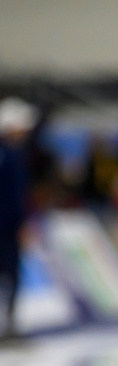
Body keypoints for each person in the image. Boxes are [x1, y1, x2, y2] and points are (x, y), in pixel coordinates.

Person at [0, 97, 38, 340]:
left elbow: (19, 195)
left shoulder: (15, 154)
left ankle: (11, 320)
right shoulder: (7, 155)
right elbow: (12, 196)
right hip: (6, 225)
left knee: (12, 273)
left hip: (11, 224)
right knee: (9, 272)